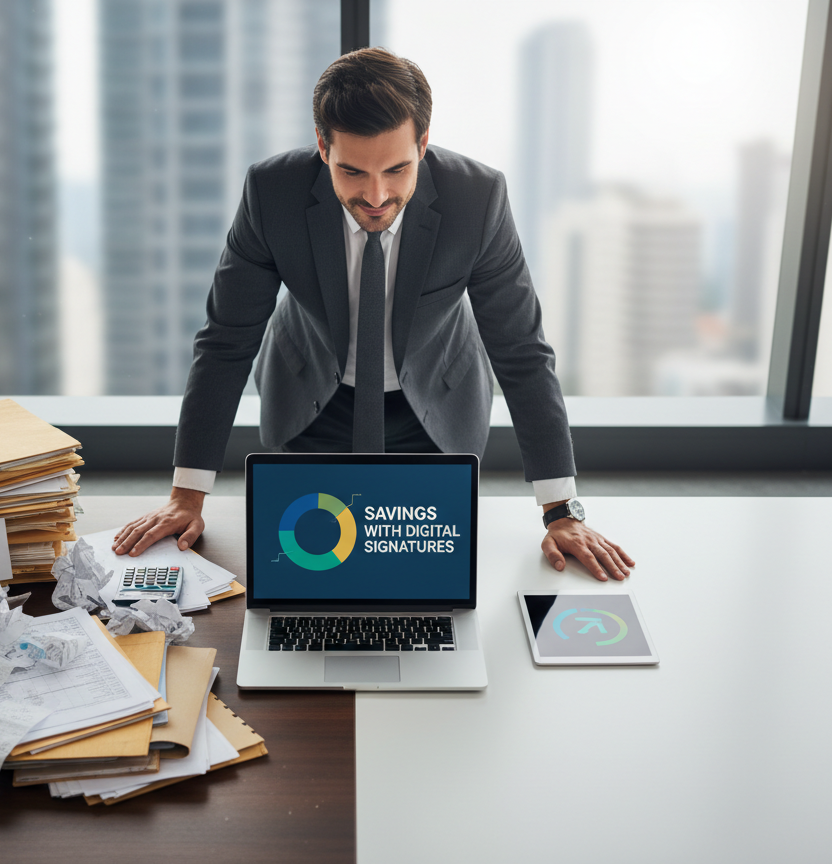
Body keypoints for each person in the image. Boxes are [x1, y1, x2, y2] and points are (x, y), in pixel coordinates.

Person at [113, 47, 633, 582]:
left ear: (423, 143)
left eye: (398, 168)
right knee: (308, 572)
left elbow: (521, 351)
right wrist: (186, 495)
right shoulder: (273, 192)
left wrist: (560, 510)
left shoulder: (477, 198)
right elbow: (226, 341)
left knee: (423, 584)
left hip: (434, 409)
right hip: (313, 401)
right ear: (322, 146)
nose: (377, 195)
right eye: (353, 171)